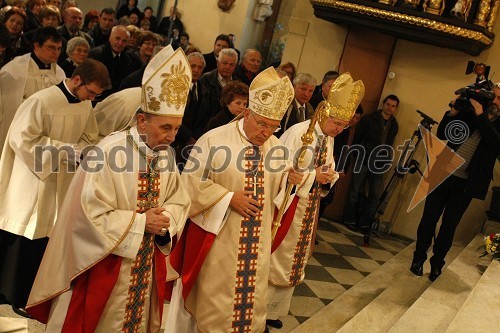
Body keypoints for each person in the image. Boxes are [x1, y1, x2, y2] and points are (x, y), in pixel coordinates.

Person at [26, 46, 192, 331]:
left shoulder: (164, 153)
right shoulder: (108, 153)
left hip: (145, 264)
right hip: (106, 265)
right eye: (166, 127)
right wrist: (141, 222)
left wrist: (168, 222)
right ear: (142, 120)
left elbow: (180, 198)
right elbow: (88, 214)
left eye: (176, 129)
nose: (172, 136)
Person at [166, 67, 301, 333]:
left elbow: (279, 193)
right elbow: (190, 185)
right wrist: (228, 198)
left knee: (249, 301)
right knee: (216, 299)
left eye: (273, 127)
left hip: (257, 240)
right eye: (262, 124)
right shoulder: (214, 140)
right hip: (220, 239)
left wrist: (289, 181)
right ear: (247, 113)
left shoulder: (275, 148)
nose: (266, 133)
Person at [0, 59, 110, 317]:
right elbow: (22, 139)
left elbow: (89, 135)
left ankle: (33, 293)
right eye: (91, 92)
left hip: (62, 175)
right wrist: (64, 150)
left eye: (96, 95)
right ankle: (14, 294)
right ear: (76, 80)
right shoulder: (41, 101)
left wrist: (80, 151)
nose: (92, 99)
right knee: (27, 233)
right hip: (34, 178)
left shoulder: (85, 105)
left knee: (47, 234)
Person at [267, 73, 365, 329]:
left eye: (344, 126)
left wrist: (328, 176)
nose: (340, 130)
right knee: (280, 254)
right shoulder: (300, 132)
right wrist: (313, 176)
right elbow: (281, 168)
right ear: (324, 114)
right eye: (337, 123)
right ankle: (261, 311)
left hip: (309, 205)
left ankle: (275, 311)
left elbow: (326, 165)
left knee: (295, 258)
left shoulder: (328, 138)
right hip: (289, 205)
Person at [410, 85, 500, 281]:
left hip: (467, 183)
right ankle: (418, 259)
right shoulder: (469, 113)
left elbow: (495, 143)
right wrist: (452, 113)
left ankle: (437, 264)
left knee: (449, 226)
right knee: (429, 218)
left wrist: (480, 115)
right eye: (493, 96)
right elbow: (444, 133)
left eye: (499, 99)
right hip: (443, 173)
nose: (494, 101)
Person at [0, 26, 65, 153]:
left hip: (45, 132)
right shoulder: (14, 71)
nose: (56, 52)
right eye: (51, 47)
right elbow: (6, 110)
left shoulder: (59, 74)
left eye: (59, 48)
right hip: (20, 129)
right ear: (37, 46)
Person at [343, 94, 400, 235]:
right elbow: (357, 138)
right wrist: (357, 155)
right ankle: (349, 219)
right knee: (355, 191)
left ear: (395, 108)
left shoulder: (394, 124)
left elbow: (389, 143)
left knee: (375, 195)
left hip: (379, 163)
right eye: (388, 104)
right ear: (383, 104)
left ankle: (365, 223)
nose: (389, 108)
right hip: (363, 159)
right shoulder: (369, 119)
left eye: (393, 106)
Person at [88, 25, 140, 99]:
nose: (120, 43)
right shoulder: (96, 54)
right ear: (110, 38)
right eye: (117, 38)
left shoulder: (132, 58)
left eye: (124, 41)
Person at [198, 47, 238, 118]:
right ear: (218, 63)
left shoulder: (238, 84)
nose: (228, 67)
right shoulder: (205, 80)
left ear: (235, 66)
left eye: (231, 65)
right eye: (225, 63)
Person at [276, 72, 316, 136]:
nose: (306, 94)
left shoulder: (310, 108)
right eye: (303, 89)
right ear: (294, 87)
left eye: (310, 91)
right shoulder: (285, 104)